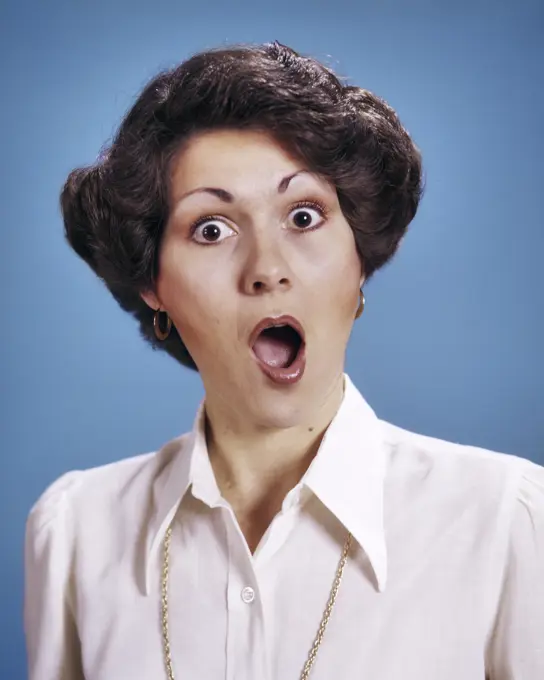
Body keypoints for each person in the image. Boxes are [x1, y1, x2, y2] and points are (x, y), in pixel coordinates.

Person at [24, 41, 543, 680]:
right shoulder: (74, 530)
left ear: (359, 261)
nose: (268, 269)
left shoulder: (504, 518)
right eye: (211, 228)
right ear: (153, 284)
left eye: (303, 215)